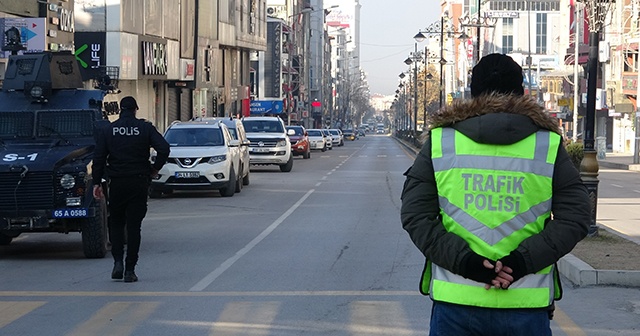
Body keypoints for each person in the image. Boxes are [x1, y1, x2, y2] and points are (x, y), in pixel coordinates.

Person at [400, 53, 591, 336]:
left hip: (456, 302)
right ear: (522, 92)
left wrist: (465, 262)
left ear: (472, 94)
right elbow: (576, 216)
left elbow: (417, 215)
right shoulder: (547, 144)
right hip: (525, 304)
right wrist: (521, 262)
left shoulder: (443, 141)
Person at [92, 96, 170, 282]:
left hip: (117, 183)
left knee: (116, 224)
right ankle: (130, 270)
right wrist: (154, 169)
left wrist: (96, 183)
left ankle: (117, 262)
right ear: (136, 109)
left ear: (120, 110)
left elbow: (99, 158)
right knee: (134, 227)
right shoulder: (145, 128)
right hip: (139, 182)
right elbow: (164, 149)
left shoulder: (109, 130)